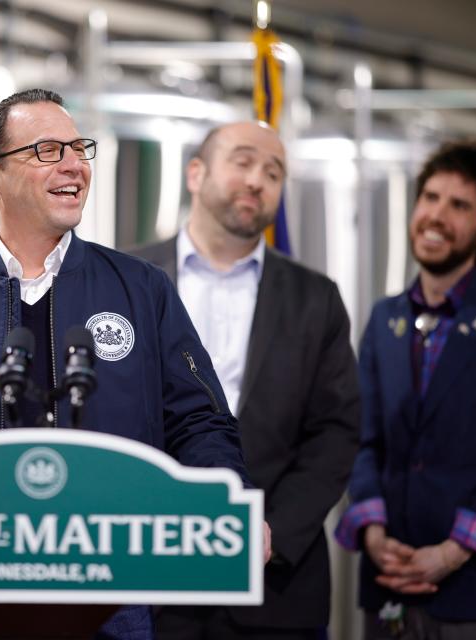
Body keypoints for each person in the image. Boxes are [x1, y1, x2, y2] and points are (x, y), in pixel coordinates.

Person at [0, 88, 269, 640]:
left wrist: (232, 503)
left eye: (80, 149)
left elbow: (200, 421)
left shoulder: (142, 289)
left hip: (111, 595)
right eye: (48, 150)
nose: (75, 165)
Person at [131, 121, 360, 639]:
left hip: (275, 590)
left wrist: (271, 535)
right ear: (195, 173)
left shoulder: (315, 298)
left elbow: (336, 432)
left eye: (273, 171)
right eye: (242, 161)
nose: (258, 179)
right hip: (151, 577)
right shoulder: (128, 279)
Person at [335, 140, 476, 639]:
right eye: (431, 198)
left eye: (458, 205)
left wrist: (453, 550)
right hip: (391, 583)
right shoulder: (385, 318)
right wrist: (373, 532)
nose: (436, 215)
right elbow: (361, 438)